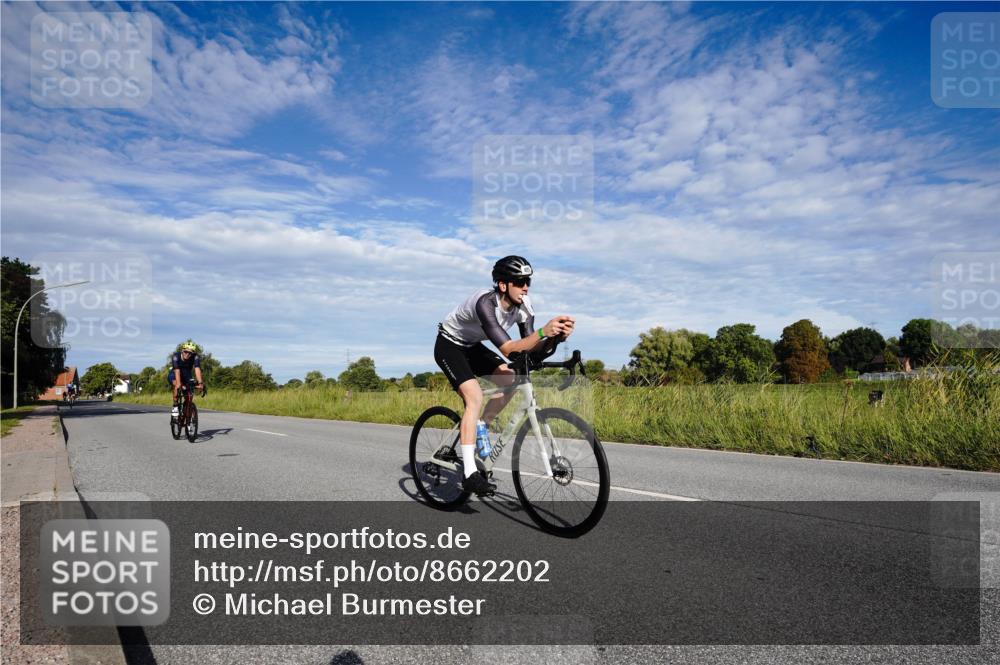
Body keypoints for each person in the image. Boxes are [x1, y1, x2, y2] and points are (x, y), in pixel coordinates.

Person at [435, 256, 575, 495]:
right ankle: (469, 473)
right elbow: (509, 349)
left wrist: (554, 339)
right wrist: (544, 331)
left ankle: (481, 425)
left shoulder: (524, 306)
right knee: (474, 397)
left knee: (512, 378)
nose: (526, 287)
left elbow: (528, 349)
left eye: (527, 281)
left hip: (473, 347)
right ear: (503, 285)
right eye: (520, 282)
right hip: (449, 345)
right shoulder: (485, 304)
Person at [170, 342, 204, 417]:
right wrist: (179, 383)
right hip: (175, 373)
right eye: (186, 352)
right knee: (176, 384)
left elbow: (197, 369)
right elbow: (177, 370)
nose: (187, 354)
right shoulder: (176, 356)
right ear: (182, 350)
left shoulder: (195, 357)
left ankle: (187, 410)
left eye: (190, 353)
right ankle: (175, 406)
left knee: (189, 395)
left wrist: (200, 383)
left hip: (186, 374)